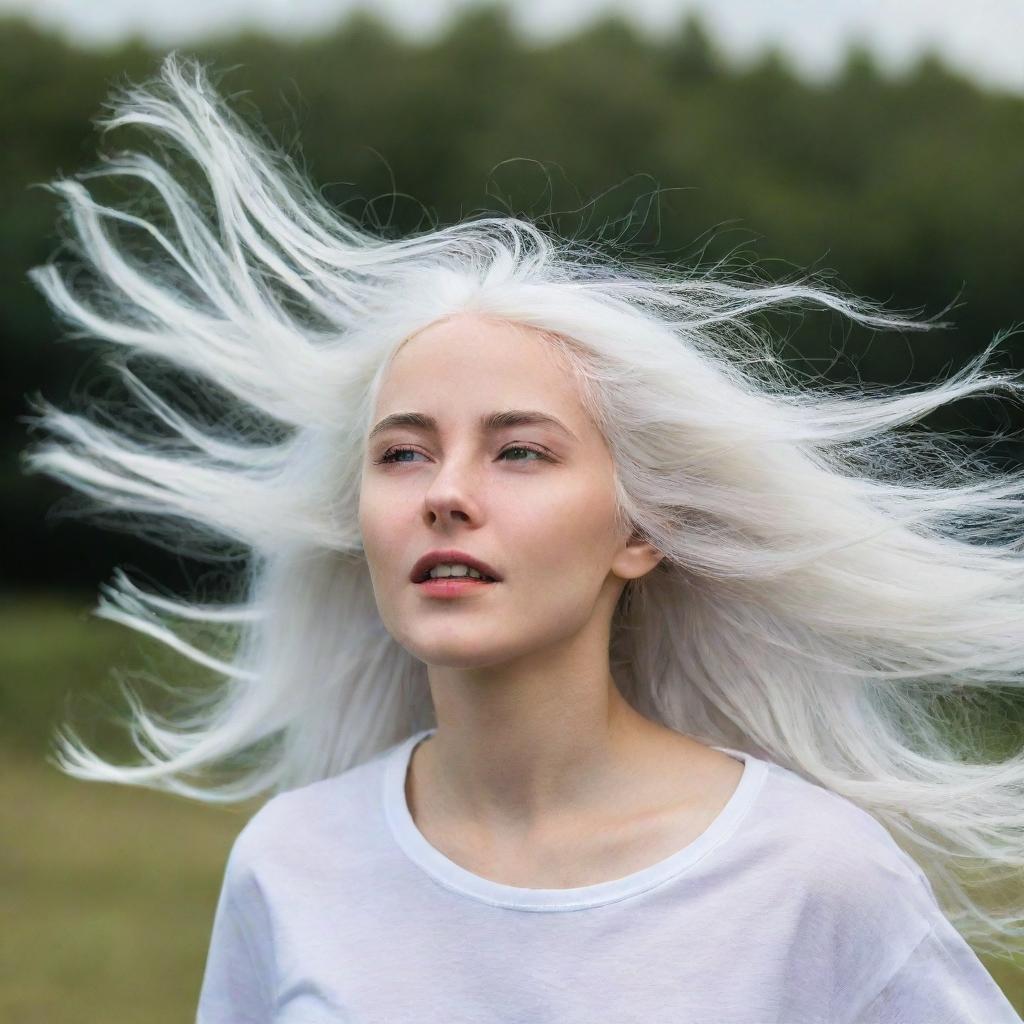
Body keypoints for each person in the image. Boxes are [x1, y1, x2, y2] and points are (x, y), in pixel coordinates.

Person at [23, 53, 1024, 1023]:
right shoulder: (290, 864)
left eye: (520, 454)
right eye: (403, 454)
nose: (445, 495)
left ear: (639, 532)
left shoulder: (814, 877)